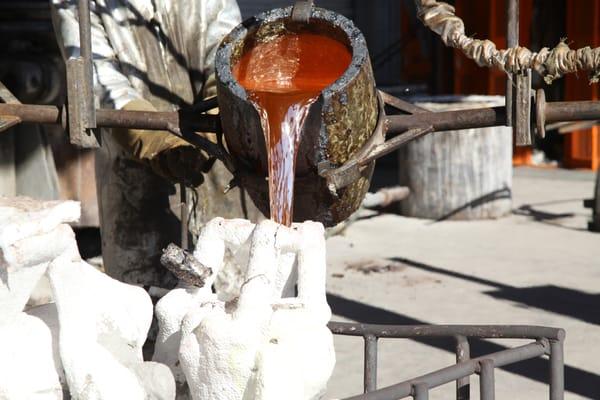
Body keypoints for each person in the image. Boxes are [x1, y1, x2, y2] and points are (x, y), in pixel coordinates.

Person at [51, 0, 260, 289]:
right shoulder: (79, 5)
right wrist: (153, 141)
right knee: (148, 312)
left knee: (240, 303)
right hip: (135, 183)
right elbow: (97, 79)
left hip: (225, 167)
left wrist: (217, 117)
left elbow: (229, 51)